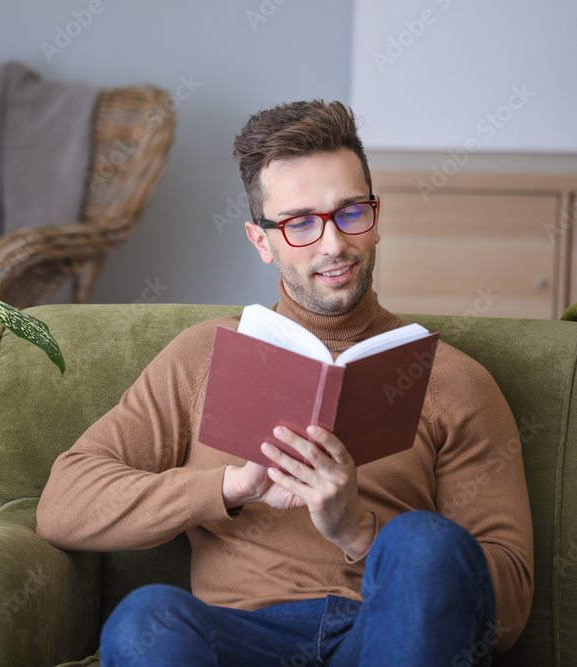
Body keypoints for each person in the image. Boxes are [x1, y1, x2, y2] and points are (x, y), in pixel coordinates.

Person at [36, 100, 534, 666]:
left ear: (376, 216)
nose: (333, 245)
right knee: (148, 616)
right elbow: (62, 505)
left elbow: (511, 609)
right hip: (239, 639)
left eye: (350, 212)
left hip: (383, 638)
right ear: (260, 239)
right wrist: (229, 488)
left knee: (422, 542)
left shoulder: (454, 380)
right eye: (299, 223)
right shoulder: (201, 357)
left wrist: (358, 532)